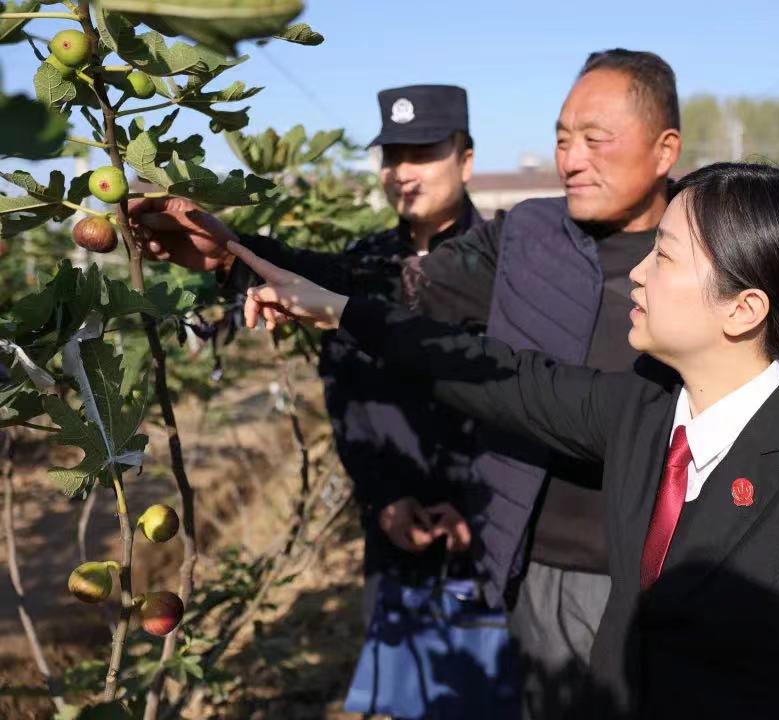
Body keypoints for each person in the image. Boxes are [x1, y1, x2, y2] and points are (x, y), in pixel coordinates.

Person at [231, 161, 779, 719]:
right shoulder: (646, 414)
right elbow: (504, 376)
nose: (637, 273)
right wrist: (337, 310)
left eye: (666, 256)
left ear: (743, 308)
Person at [130, 49, 682, 718]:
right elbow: (383, 288)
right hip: (535, 565)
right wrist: (239, 257)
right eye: (562, 139)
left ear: (665, 149)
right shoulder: (529, 238)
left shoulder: (716, 241)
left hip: (669, 567)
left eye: (594, 139)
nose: (570, 159)